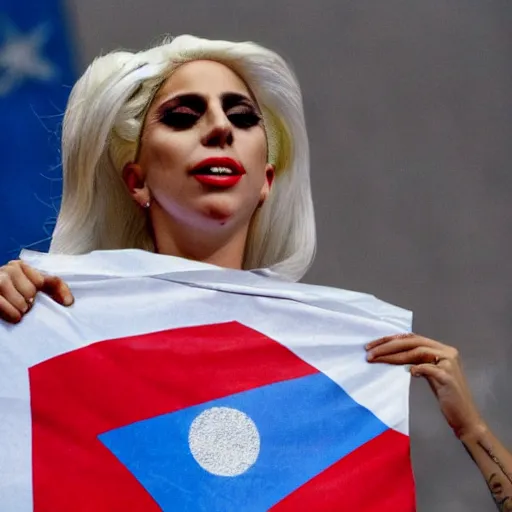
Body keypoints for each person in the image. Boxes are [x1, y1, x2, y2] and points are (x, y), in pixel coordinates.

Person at [0, 34, 510, 510]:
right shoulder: (51, 327)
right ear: (137, 180)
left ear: (266, 180)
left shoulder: (348, 357)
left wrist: (472, 428)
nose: (220, 128)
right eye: (182, 116)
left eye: (242, 116)